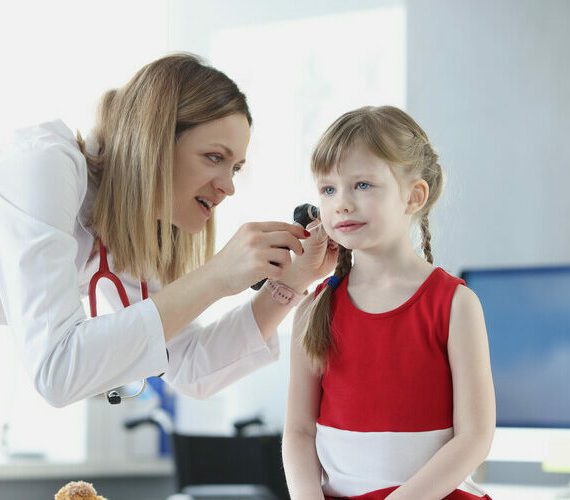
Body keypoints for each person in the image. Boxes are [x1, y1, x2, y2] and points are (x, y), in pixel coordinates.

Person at [0, 53, 338, 408]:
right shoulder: (44, 167)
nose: (228, 186)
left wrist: (288, 284)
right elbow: (58, 370)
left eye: (235, 168)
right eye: (214, 157)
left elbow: (189, 365)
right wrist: (217, 276)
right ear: (156, 141)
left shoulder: (123, 226)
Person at [282, 106, 495, 499]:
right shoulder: (313, 310)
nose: (341, 203)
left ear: (414, 197)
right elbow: (298, 431)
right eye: (328, 189)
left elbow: (475, 436)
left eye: (361, 185)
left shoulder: (456, 305)